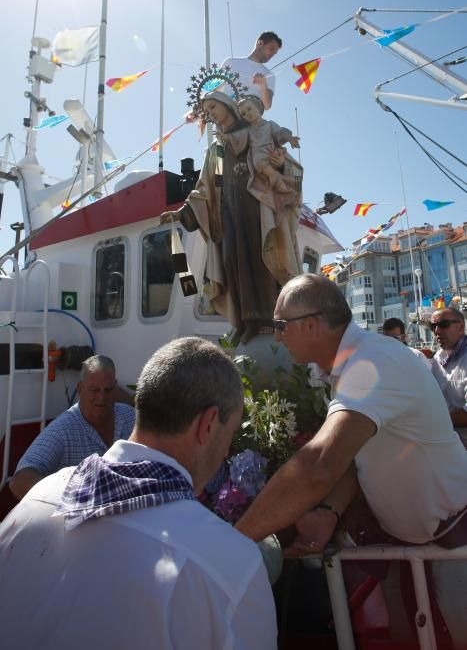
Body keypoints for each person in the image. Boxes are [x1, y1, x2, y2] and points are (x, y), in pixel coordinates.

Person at [0, 337, 276, 650]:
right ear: (209, 423)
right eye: (229, 434)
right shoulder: (231, 566)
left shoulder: (36, 502)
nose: (226, 449)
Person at [236, 274, 467, 647]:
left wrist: (233, 541)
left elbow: (319, 464)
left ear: (309, 325)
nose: (277, 336)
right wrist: (329, 511)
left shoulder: (371, 363)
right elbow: (360, 458)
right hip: (412, 545)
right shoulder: (349, 365)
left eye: (281, 326)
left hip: (454, 546)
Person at [160, 89, 303, 345]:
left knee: (263, 260)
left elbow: (294, 171)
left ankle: (273, 319)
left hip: (257, 209)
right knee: (233, 265)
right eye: (208, 110)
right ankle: (246, 321)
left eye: (214, 106)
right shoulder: (216, 150)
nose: (211, 113)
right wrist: (183, 214)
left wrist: (280, 164)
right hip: (228, 216)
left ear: (228, 105)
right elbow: (207, 189)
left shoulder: (255, 132)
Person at [9, 354, 135, 500]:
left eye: (108, 390)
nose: (101, 397)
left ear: (115, 387)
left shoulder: (130, 416)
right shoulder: (63, 430)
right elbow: (19, 481)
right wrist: (74, 500)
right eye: (94, 390)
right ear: (80, 389)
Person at [223, 95, 301, 214]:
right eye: (243, 114)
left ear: (258, 108)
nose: (247, 114)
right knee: (257, 161)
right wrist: (226, 137)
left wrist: (290, 139)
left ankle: (283, 187)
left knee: (262, 162)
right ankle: (277, 181)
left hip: (270, 152)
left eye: (249, 109)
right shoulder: (248, 131)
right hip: (258, 161)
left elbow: (281, 133)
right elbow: (238, 139)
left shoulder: (269, 124)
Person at [430, 307, 467, 442]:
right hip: (445, 439)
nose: (437, 331)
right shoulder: (438, 358)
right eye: (433, 326)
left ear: (460, 326)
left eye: (443, 325)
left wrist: (432, 422)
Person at [221, 31, 282, 110]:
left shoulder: (269, 75)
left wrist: (263, 86)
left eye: (274, 53)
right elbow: (214, 88)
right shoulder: (230, 62)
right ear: (260, 43)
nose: (272, 55)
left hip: (250, 120)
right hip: (226, 117)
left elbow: (267, 105)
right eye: (271, 49)